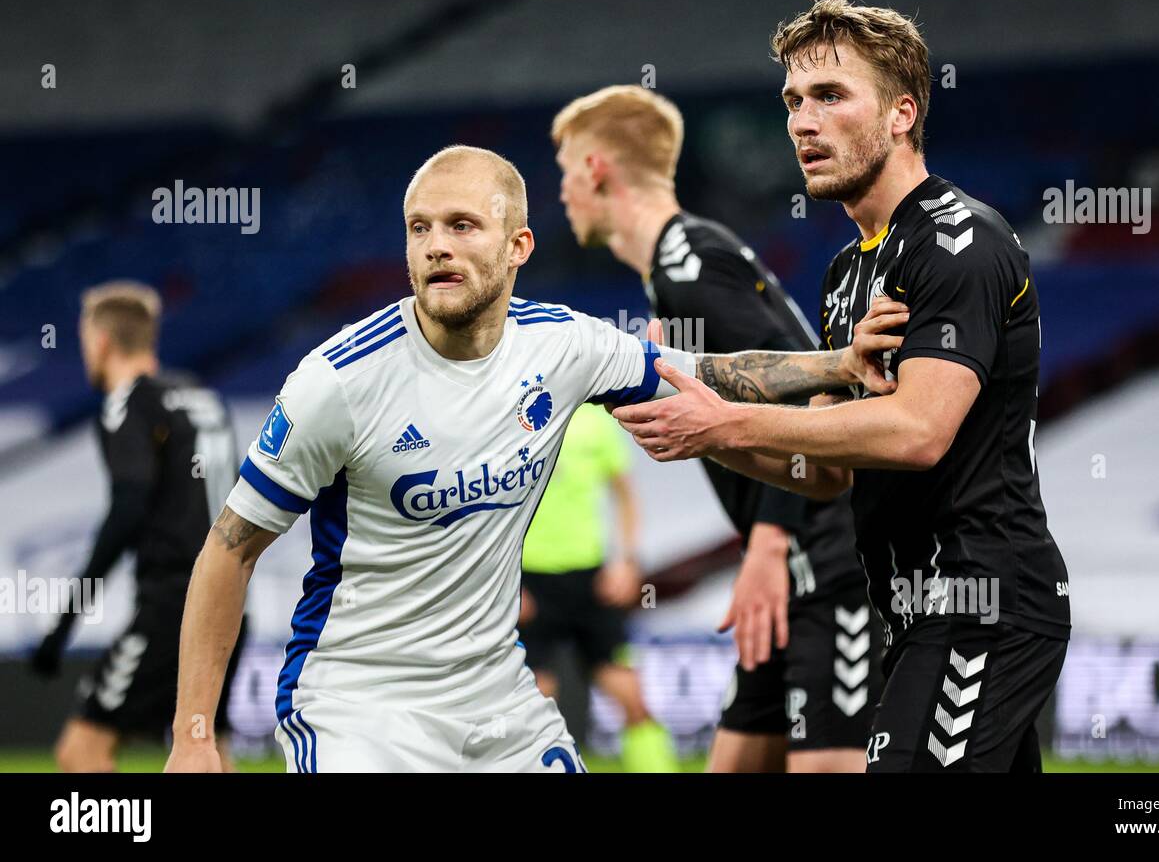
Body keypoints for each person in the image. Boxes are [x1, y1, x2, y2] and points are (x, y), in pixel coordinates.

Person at [162, 145, 877, 773]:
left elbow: (710, 374)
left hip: (497, 699)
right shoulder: (338, 383)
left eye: (462, 225)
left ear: (518, 246)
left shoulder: (564, 346)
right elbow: (229, 550)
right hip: (360, 702)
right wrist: (194, 735)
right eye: (420, 229)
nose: (437, 246)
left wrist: (838, 362)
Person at [611, 0, 1072, 772]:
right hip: (910, 609)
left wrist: (732, 426)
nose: (801, 122)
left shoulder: (959, 240)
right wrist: (701, 430)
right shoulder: (845, 274)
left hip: (980, 603)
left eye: (829, 96)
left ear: (901, 113)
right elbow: (823, 475)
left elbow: (919, 432)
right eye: (793, 100)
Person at [552, 86, 880, 772]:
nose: (561, 194)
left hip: (829, 561)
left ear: (596, 170)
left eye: (563, 171)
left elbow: (813, 391)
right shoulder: (679, 270)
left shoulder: (691, 267)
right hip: (794, 561)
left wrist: (766, 546)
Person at [31, 281, 245, 772]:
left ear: (102, 342)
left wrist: (64, 622)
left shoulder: (129, 403)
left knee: (81, 751)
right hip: (230, 600)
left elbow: (128, 507)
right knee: (208, 754)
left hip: (172, 608)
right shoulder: (199, 397)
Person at [518, 402, 677, 772]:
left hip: (590, 579)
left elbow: (625, 494)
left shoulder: (595, 421)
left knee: (633, 699)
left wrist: (627, 561)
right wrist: (502, 581)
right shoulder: (511, 412)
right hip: (529, 580)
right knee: (533, 707)